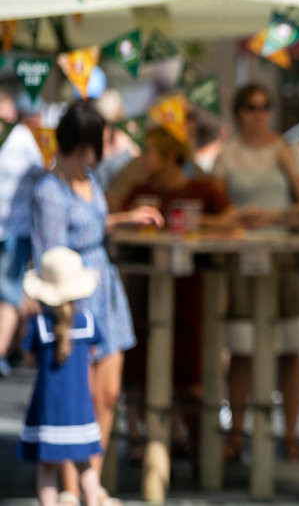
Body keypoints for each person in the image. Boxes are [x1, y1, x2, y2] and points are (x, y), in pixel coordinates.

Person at [31, 100, 163, 506]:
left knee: (107, 393)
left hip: (105, 286)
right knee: (77, 396)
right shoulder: (48, 191)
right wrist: (60, 314)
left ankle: (93, 481)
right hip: (71, 296)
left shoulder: (91, 180)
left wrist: (125, 219)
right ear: (80, 141)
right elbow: (52, 255)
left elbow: (90, 225)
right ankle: (71, 487)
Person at [211, 83, 299, 462]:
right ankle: (236, 436)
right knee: (241, 350)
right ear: (238, 112)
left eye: (264, 106)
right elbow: (214, 207)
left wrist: (273, 216)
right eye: (250, 107)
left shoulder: (283, 150)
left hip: (283, 256)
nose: (257, 114)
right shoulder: (228, 155)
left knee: (289, 350)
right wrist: (236, 218)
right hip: (242, 257)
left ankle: (289, 437)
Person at [119, 125, 236, 463]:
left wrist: (192, 222)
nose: (144, 158)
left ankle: (203, 452)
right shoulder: (140, 192)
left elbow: (230, 219)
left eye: (151, 151)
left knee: (189, 375)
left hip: (189, 293)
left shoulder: (200, 189)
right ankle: (145, 445)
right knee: (140, 370)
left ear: (171, 156)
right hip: (144, 291)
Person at [17, 247, 103, 506]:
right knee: (85, 466)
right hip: (80, 410)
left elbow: (29, 359)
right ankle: (93, 501)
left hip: (49, 411)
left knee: (46, 468)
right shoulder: (87, 321)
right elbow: (94, 351)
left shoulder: (40, 326)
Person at [0, 90, 44, 378]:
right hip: (11, 229)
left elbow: (43, 175)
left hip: (14, 230)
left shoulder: (24, 140)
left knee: (8, 294)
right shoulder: (22, 140)